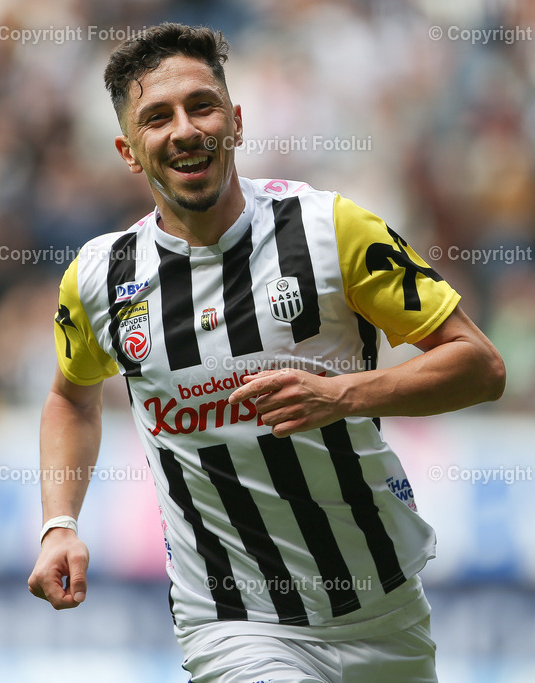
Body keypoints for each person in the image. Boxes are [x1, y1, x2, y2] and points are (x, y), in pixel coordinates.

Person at [27, 22, 505, 683]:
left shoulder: (331, 230)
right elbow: (70, 397)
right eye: (157, 117)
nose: (185, 129)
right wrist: (59, 522)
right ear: (129, 150)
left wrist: (342, 393)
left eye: (202, 105)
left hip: (382, 606)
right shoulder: (99, 278)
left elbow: (480, 366)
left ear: (237, 121)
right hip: (233, 620)